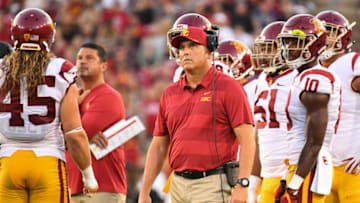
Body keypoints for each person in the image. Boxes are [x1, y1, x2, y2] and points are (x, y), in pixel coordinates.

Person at [139, 13, 255, 203]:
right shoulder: (169, 93)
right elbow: (159, 146)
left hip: (213, 183)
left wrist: (243, 184)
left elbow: (248, 140)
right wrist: (145, 191)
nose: (185, 51)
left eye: (193, 45)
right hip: (177, 183)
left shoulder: (229, 87)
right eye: (182, 47)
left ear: (210, 49)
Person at [0, 8, 98, 203]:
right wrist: (88, 177)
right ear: (50, 37)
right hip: (47, 162)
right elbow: (74, 134)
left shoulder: (1, 69)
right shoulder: (61, 70)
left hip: (7, 163)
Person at [275, 14, 341, 203]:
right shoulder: (302, 76)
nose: (288, 49)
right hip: (300, 167)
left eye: (295, 43)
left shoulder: (316, 78)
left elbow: (314, 142)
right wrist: (284, 181)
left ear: (314, 44)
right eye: (286, 43)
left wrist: (294, 186)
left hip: (310, 170)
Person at [65, 42, 127, 203]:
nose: (83, 62)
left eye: (90, 58)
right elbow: (70, 136)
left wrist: (77, 136)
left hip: (103, 188)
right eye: (79, 58)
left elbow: (77, 134)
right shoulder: (73, 97)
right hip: (72, 187)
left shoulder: (109, 96)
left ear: (104, 66)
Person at [249, 21, 298, 203]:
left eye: (269, 49)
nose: (263, 55)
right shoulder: (263, 78)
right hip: (268, 173)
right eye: (262, 49)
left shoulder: (298, 77)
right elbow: (258, 133)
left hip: (290, 173)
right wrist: (253, 183)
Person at [316, 10, 360, 203]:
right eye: (321, 31)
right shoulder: (310, 70)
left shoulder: (352, 62)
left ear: (344, 36)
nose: (325, 37)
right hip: (321, 169)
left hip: (352, 166)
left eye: (330, 31)